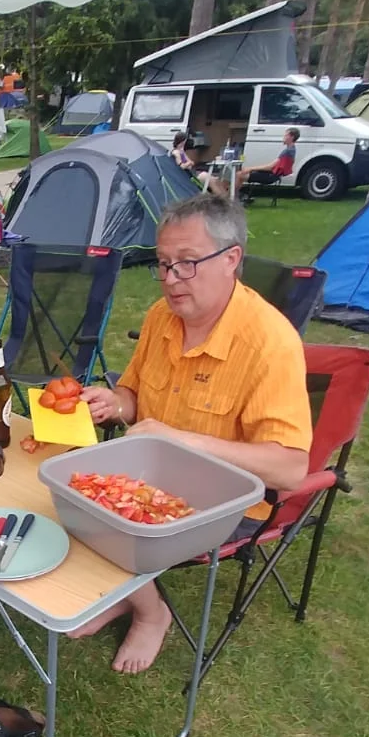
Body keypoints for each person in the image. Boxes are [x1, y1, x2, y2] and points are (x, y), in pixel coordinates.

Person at [73, 194, 311, 675]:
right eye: (162, 265)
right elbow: (134, 397)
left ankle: (150, 611)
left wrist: (183, 440)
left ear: (231, 260)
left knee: (104, 514)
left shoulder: (269, 343)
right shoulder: (163, 317)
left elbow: (290, 468)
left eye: (186, 264)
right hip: (154, 476)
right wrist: (113, 403)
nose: (170, 280)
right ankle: (128, 592)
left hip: (228, 503)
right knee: (72, 488)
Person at [234, 127, 300, 197]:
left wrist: (250, 168)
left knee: (239, 175)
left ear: (291, 137)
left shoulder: (288, 151)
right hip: (273, 175)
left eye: (286, 135)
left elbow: (270, 167)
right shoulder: (291, 150)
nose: (283, 137)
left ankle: (232, 197)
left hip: (270, 177)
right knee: (241, 174)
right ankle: (236, 196)